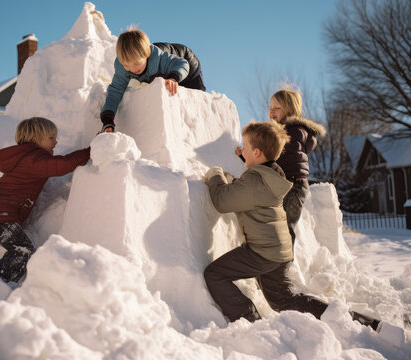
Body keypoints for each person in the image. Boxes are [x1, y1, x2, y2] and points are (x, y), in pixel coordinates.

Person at [204, 120, 381, 331]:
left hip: (262, 253)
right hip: (279, 251)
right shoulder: (271, 174)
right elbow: (246, 192)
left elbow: (222, 201)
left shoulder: (255, 181)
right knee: (286, 300)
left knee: (214, 274)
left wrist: (215, 175)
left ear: (258, 153)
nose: (242, 150)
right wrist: (235, 177)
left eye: (245, 147)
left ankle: (252, 325)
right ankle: (352, 319)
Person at [0, 117, 91, 284]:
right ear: (36, 139)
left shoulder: (28, 157)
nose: (56, 141)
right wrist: (90, 151)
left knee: (21, 249)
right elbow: (63, 165)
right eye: (51, 137)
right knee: (22, 250)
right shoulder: (33, 160)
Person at [235, 89, 325, 245]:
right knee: (276, 224)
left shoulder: (291, 132)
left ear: (289, 109)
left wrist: (246, 156)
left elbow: (269, 159)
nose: (271, 111)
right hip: (285, 185)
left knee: (285, 226)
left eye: (277, 107)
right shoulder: (286, 132)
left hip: (293, 186)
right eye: (270, 107)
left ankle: (283, 264)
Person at [100, 28, 205, 133]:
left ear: (147, 55)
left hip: (187, 65)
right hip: (163, 71)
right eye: (127, 65)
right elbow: (115, 91)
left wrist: (173, 77)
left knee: (195, 102)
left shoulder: (160, 59)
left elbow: (182, 63)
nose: (132, 69)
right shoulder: (123, 67)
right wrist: (107, 120)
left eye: (136, 64)